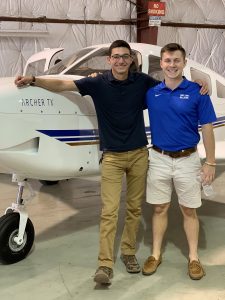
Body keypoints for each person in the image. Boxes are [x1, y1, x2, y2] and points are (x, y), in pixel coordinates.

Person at [14, 40, 208, 285]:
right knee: (109, 212)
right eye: (116, 57)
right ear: (109, 60)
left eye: (125, 56)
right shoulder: (97, 82)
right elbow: (64, 84)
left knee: (135, 210)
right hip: (113, 157)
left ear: (131, 60)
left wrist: (199, 85)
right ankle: (105, 264)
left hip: (139, 154)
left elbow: (170, 86)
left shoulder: (143, 82)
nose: (120, 61)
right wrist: (34, 80)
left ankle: (128, 253)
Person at [142, 43, 216, 280]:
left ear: (184, 63)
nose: (171, 65)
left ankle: (194, 258)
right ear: (161, 63)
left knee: (189, 210)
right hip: (159, 158)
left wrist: (210, 162)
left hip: (188, 159)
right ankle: (155, 254)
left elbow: (207, 128)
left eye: (176, 60)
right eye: (167, 61)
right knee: (160, 207)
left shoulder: (198, 92)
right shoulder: (151, 93)